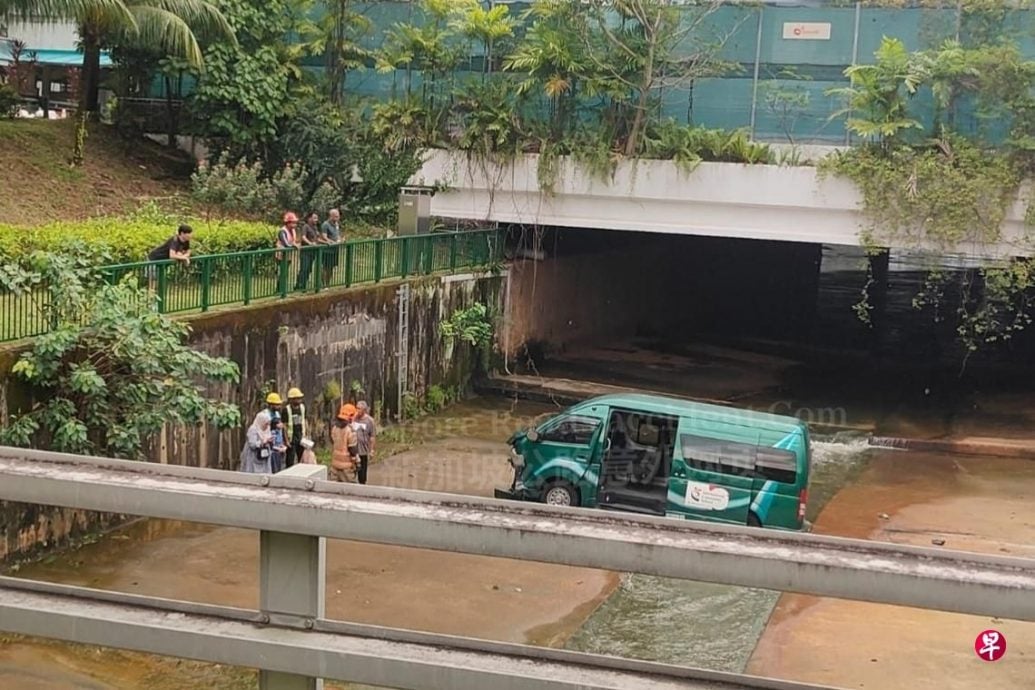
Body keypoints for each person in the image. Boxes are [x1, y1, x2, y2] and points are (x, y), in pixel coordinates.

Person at [147, 224, 192, 290]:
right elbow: (172, 255)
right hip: (154, 259)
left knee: (160, 280)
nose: (191, 235)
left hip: (163, 262)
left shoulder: (186, 241)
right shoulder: (175, 240)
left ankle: (157, 297)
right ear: (182, 233)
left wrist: (184, 256)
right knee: (153, 280)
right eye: (189, 233)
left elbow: (188, 251)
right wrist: (184, 257)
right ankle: (150, 296)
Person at [329, 403, 359, 482]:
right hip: (347, 468)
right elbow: (352, 450)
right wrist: (357, 462)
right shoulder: (351, 431)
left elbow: (333, 441)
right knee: (349, 490)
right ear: (351, 417)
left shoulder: (335, 428)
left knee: (333, 490)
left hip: (334, 465)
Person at [294, 211, 321, 291]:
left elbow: (317, 238)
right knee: (304, 268)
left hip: (313, 252)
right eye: (314, 218)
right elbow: (303, 237)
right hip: (306, 252)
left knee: (309, 269)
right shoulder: (305, 226)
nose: (316, 220)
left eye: (317, 218)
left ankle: (304, 284)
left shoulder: (315, 228)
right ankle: (299, 285)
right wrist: (310, 243)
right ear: (309, 218)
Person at [353, 400, 376, 485]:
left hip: (363, 451)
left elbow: (372, 436)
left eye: (359, 409)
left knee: (362, 474)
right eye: (357, 408)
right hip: (353, 450)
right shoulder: (354, 418)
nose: (357, 410)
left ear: (364, 410)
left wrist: (372, 450)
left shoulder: (370, 421)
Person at [283, 387, 307, 468]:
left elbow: (305, 421)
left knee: (302, 457)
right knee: (290, 459)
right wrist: (286, 440)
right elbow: (285, 426)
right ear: (291, 399)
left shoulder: (303, 408)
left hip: (301, 436)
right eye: (297, 399)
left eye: (300, 398)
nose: (299, 400)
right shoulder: (286, 410)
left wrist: (306, 435)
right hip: (291, 438)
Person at [320, 208, 343, 286]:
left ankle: (328, 283)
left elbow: (337, 234)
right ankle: (323, 284)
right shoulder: (325, 224)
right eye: (336, 216)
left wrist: (340, 239)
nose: (338, 218)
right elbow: (324, 237)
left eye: (338, 216)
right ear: (331, 216)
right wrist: (332, 242)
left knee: (331, 267)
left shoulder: (337, 224)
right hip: (327, 250)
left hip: (335, 249)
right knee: (325, 267)